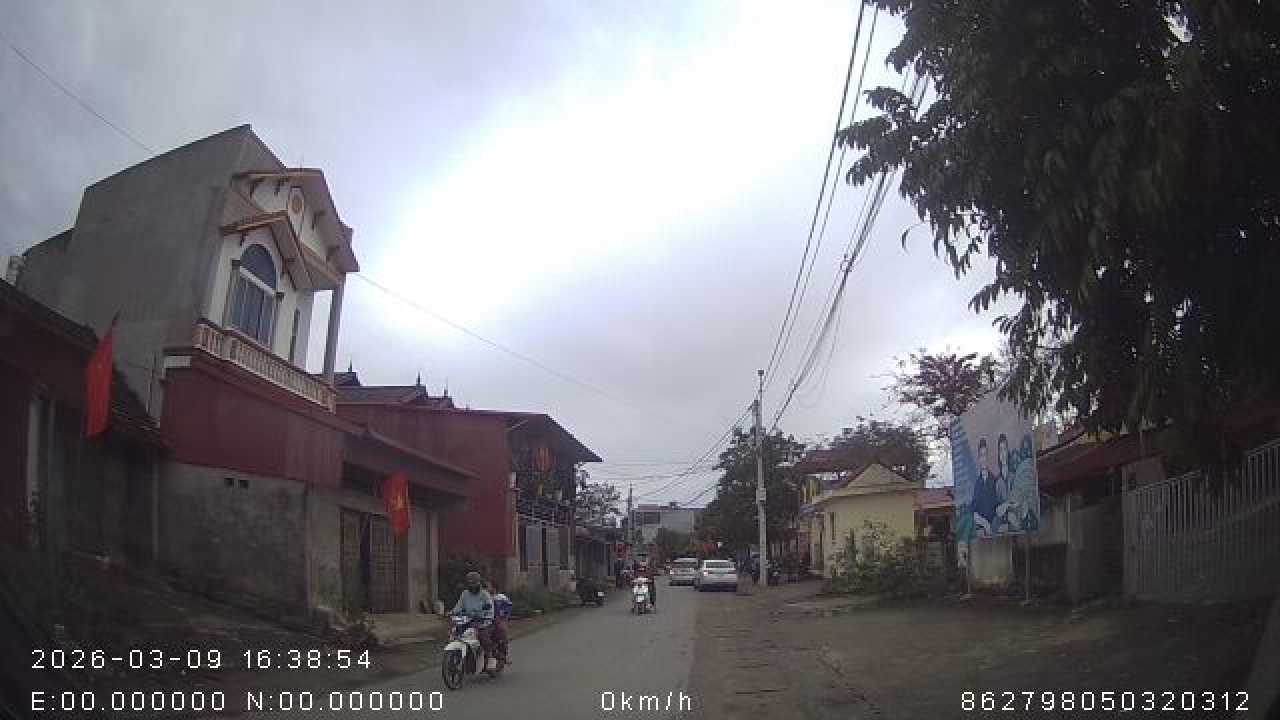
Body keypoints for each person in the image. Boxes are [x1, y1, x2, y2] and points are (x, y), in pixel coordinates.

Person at [450, 572, 497, 670]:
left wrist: (485, 616)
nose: (472, 585)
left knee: (483, 637)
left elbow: (490, 608)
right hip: (468, 621)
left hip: (483, 622)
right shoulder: (465, 594)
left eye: (474, 583)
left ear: (479, 582)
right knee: (457, 633)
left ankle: (490, 658)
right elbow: (459, 606)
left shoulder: (484, 594)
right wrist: (452, 612)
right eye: (470, 583)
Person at [484, 580, 511, 664]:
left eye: (488, 586)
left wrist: (504, 615)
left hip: (498, 619)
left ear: (494, 588)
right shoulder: (484, 597)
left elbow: (509, 606)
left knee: (501, 630)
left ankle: (504, 654)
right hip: (486, 620)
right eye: (485, 587)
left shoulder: (501, 597)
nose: (486, 588)